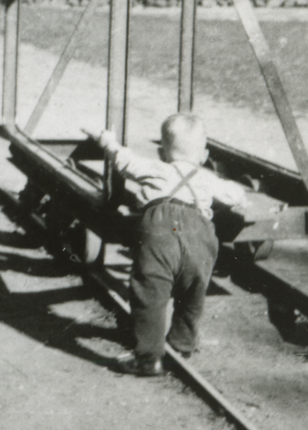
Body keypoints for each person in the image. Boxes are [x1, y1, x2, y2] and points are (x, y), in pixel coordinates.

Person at [93, 113, 248, 376]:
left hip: (160, 230)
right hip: (199, 232)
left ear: (162, 152)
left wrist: (108, 142)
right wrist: (241, 199)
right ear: (203, 154)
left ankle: (148, 357)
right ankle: (182, 345)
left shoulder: (157, 168)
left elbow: (125, 161)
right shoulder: (207, 178)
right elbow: (233, 193)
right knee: (193, 292)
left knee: (149, 294)